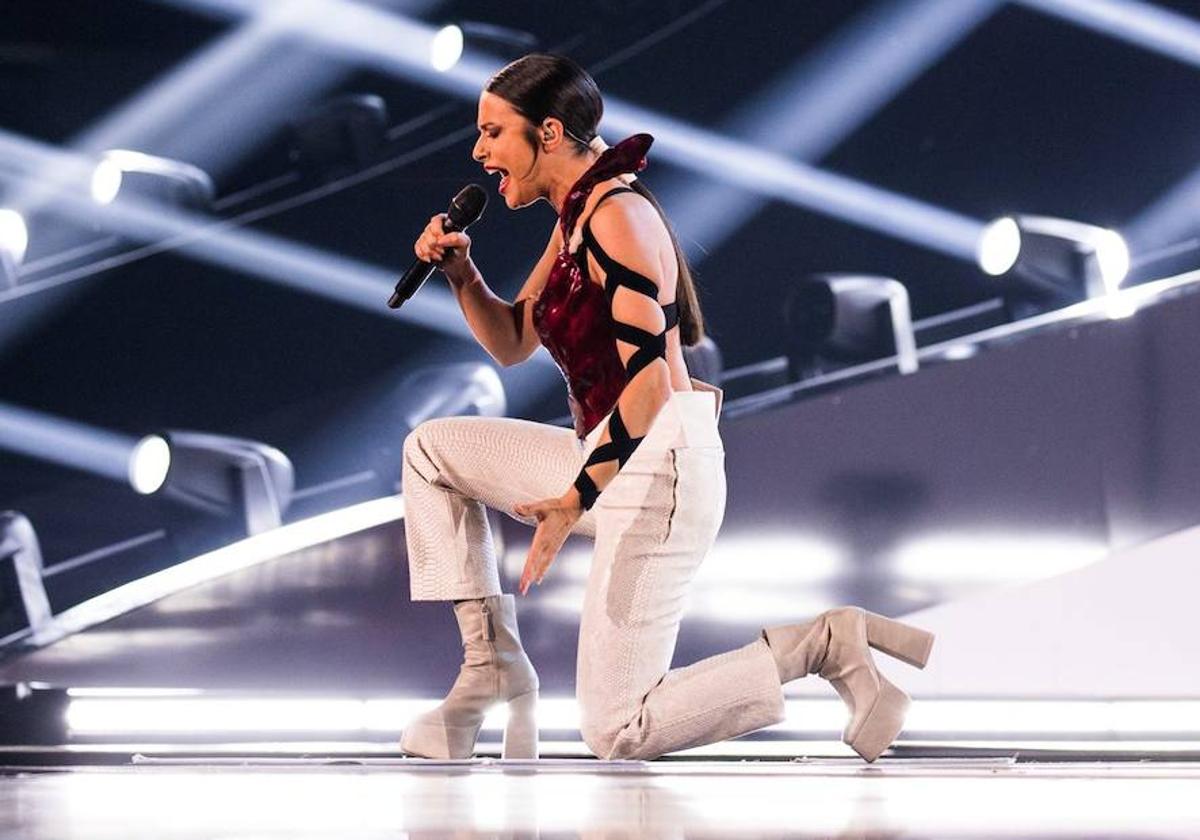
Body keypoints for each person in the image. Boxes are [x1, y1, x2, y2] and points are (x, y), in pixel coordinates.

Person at [399, 53, 934, 763]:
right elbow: (513, 341)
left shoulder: (618, 218)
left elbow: (648, 389)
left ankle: (824, 645)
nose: (479, 150)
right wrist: (462, 274)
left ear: (549, 132)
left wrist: (570, 502)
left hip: (661, 474)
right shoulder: (575, 218)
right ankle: (491, 665)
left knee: (618, 730)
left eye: (493, 132)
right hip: (610, 452)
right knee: (432, 451)